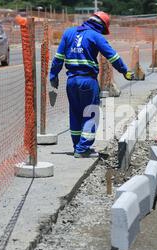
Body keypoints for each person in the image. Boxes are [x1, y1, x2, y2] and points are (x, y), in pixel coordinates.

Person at [49, 11, 134, 158]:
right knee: (91, 114)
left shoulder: (68, 33)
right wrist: (125, 71)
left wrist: (53, 75)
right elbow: (112, 56)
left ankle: (77, 146)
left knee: (75, 113)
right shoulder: (96, 36)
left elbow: (58, 58)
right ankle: (83, 150)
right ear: (101, 26)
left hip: (71, 81)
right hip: (87, 81)